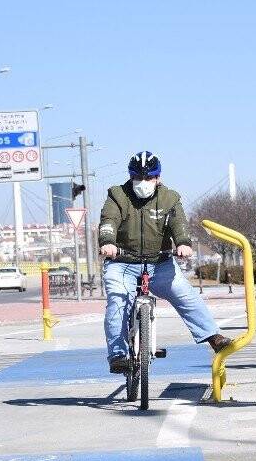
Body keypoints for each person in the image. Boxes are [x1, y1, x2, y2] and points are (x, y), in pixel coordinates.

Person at [98, 151, 231, 373]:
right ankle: (118, 355)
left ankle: (212, 337)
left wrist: (183, 243)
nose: (143, 182)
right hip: (122, 262)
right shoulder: (117, 196)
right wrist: (107, 242)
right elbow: (108, 221)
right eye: (137, 177)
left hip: (160, 263)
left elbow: (179, 225)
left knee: (185, 295)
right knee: (117, 302)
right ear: (130, 177)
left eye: (149, 177)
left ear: (158, 178)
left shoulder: (170, 198)